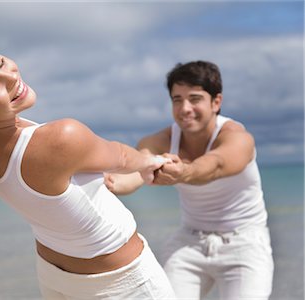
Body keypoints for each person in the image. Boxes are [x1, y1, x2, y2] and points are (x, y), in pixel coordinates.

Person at [0, 36, 176, 299]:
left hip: (55, 278)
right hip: (123, 284)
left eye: (1, 62)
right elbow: (123, 158)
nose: (11, 77)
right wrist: (152, 161)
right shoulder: (61, 138)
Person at [105, 61, 273, 299]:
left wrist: (183, 172)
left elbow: (214, 166)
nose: (184, 108)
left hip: (244, 243)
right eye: (177, 99)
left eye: (194, 99)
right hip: (190, 241)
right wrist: (110, 182)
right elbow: (137, 171)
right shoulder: (161, 140)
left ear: (216, 102)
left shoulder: (238, 138)